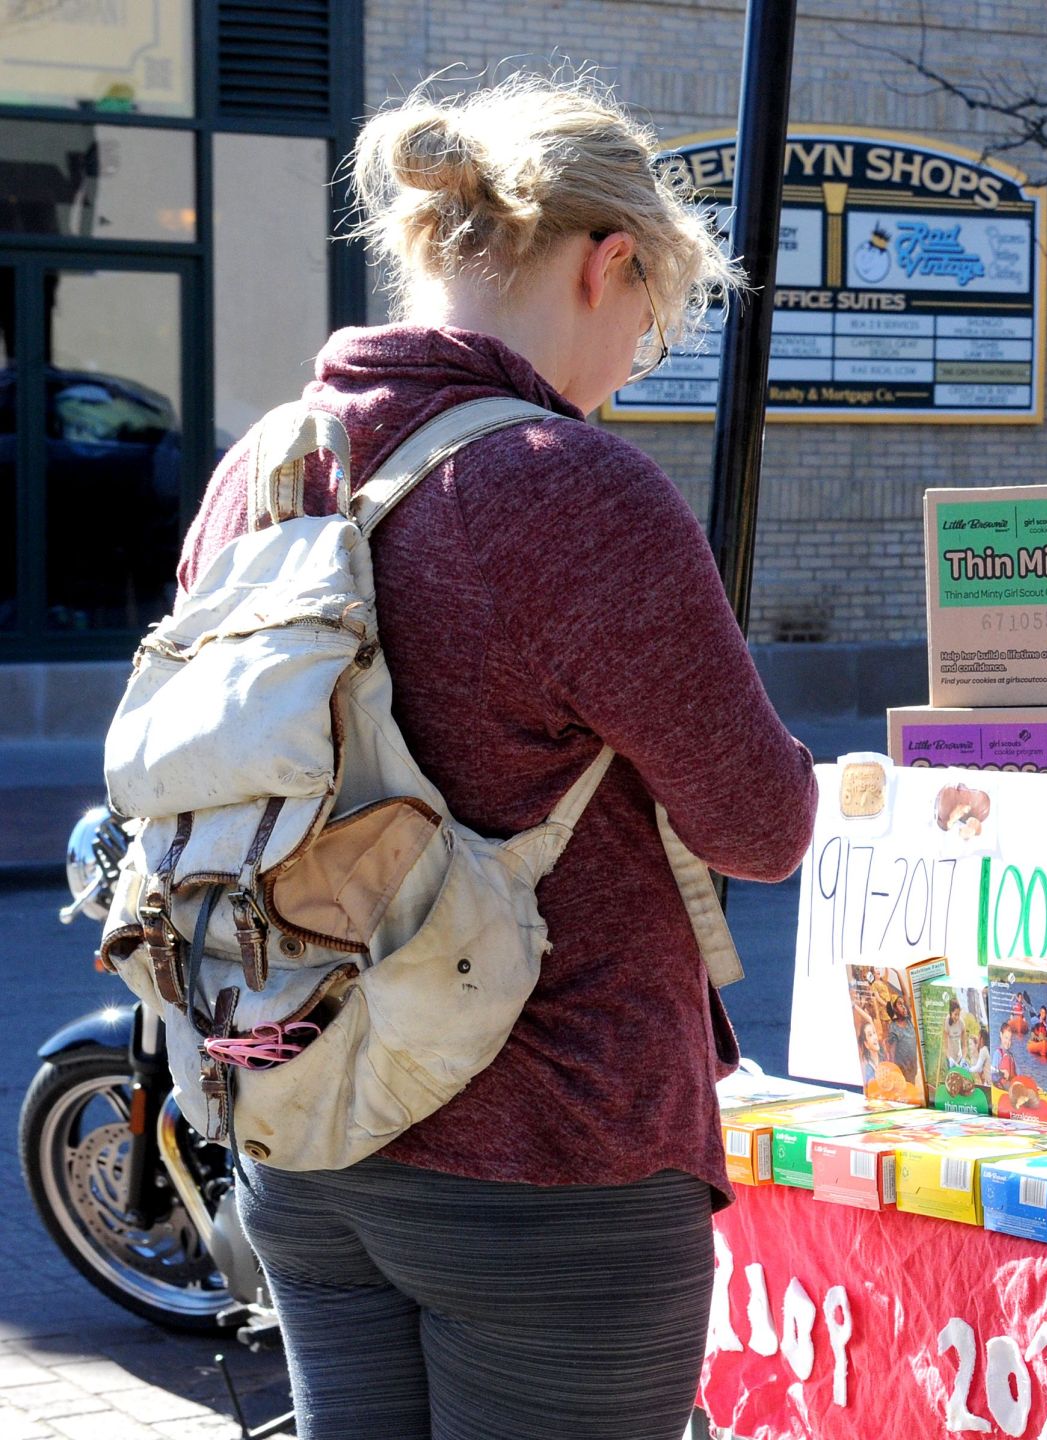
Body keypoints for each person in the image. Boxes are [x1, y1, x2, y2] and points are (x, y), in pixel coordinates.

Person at [184, 73, 817, 1440]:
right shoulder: (569, 485)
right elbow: (762, 827)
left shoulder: (270, 468)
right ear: (612, 264)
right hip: (552, 1157)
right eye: (650, 324)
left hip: (310, 1115)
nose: (631, 361)